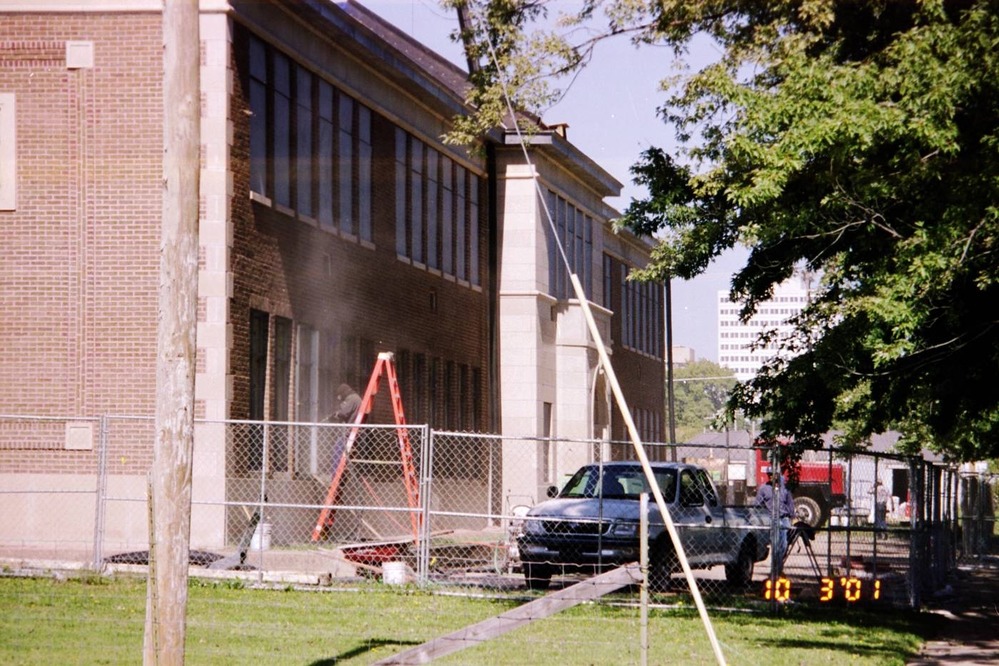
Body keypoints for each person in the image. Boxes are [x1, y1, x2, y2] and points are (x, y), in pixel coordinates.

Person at [755, 466, 795, 571]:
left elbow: (790, 503)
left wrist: (792, 517)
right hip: (772, 519)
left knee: (784, 545)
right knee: (776, 545)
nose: (771, 477)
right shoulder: (763, 489)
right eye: (769, 475)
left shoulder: (785, 488)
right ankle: (776, 570)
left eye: (773, 474)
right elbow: (757, 505)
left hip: (784, 518)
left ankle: (777, 567)